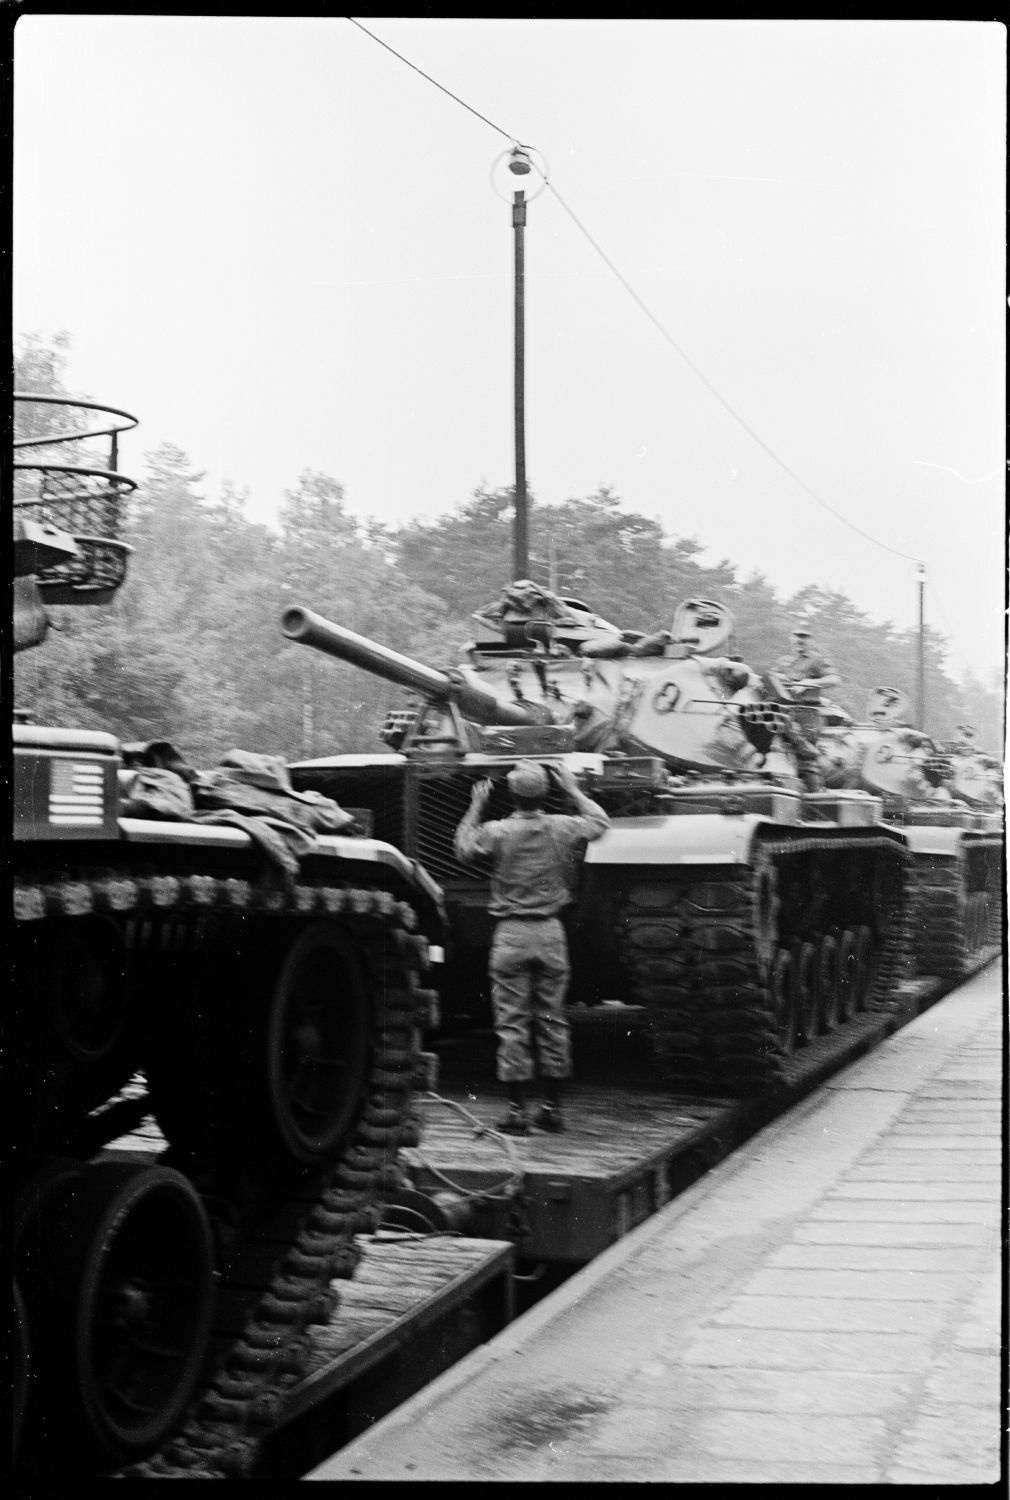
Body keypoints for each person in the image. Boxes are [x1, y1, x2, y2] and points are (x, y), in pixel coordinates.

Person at [453, 761, 610, 1135]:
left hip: (511, 934)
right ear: (544, 794)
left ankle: (516, 1113)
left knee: (512, 1022)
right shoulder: (562, 826)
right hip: (551, 932)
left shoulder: (498, 831)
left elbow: (462, 848)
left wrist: (476, 806)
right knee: (553, 1019)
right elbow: (600, 823)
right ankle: (553, 1108)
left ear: (513, 796)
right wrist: (572, 790)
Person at [773, 625, 840, 790]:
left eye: (805, 636)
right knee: (779, 751)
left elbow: (834, 679)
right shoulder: (783, 661)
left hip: (807, 713)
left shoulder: (817, 660)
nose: (800, 640)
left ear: (811, 640)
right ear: (791, 638)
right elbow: (771, 679)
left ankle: (815, 795)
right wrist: (778, 678)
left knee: (806, 755)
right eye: (797, 636)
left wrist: (810, 683)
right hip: (784, 711)